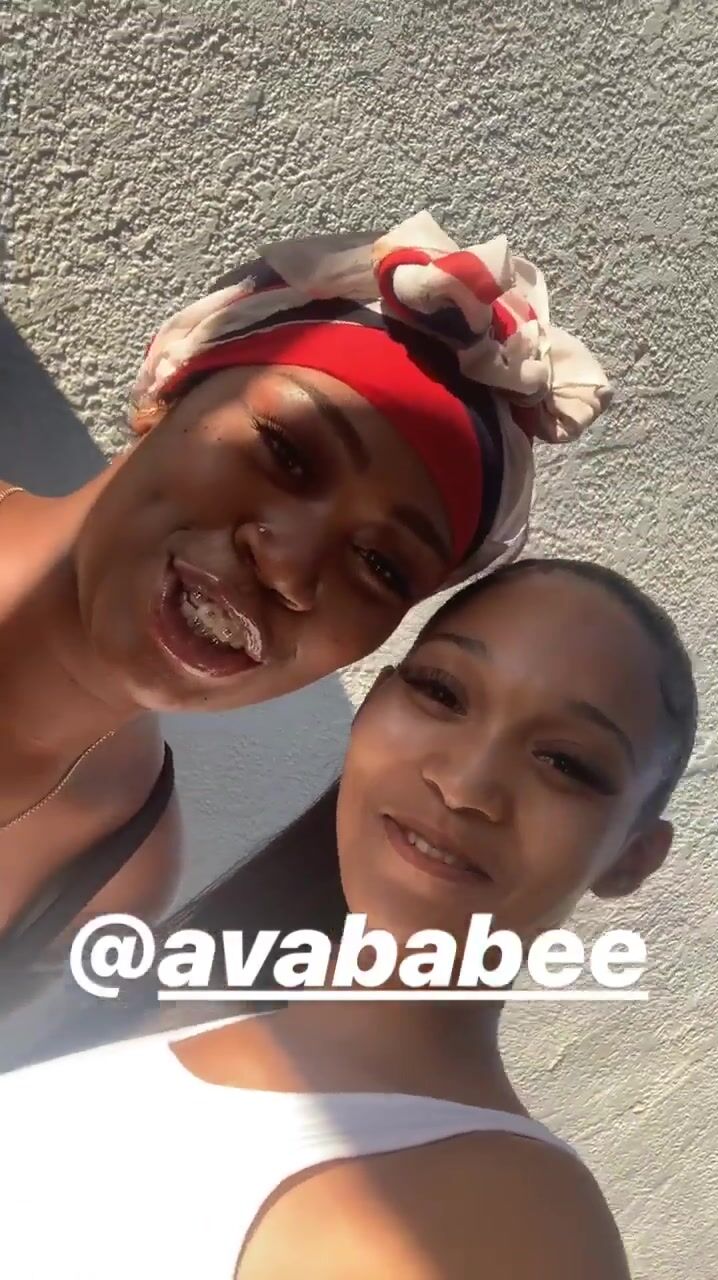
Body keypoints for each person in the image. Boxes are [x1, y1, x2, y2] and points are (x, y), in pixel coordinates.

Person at [0, 556, 697, 1278]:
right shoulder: (177, 1002)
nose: (464, 785)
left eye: (565, 763)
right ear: (373, 705)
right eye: (442, 692)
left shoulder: (510, 1227)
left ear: (632, 859)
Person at [0, 210, 612, 987]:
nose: (289, 570)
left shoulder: (117, 875)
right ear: (168, 392)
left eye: (382, 567)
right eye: (284, 450)